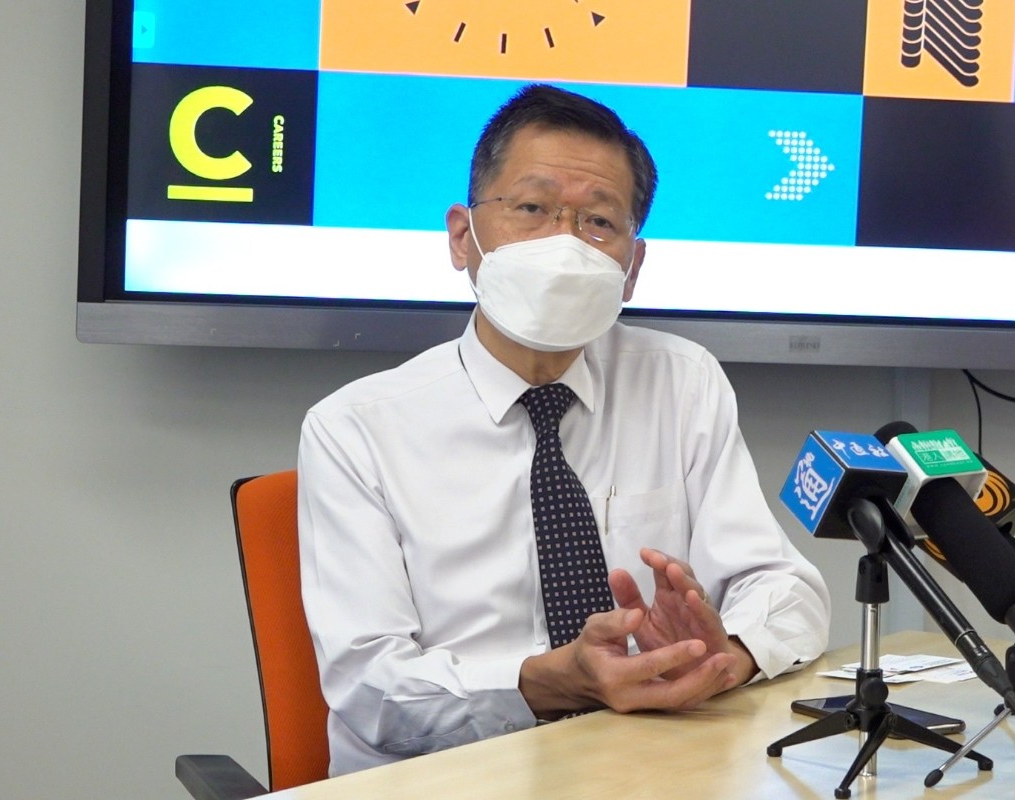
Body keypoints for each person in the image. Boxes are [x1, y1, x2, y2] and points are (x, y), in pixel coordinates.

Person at [297, 84, 831, 777]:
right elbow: (370, 690)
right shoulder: (355, 429)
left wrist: (722, 651)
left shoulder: (681, 381)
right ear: (462, 237)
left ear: (632, 269)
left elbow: (785, 589)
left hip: (650, 768)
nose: (563, 243)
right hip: (452, 779)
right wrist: (550, 682)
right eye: (531, 209)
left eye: (598, 222)